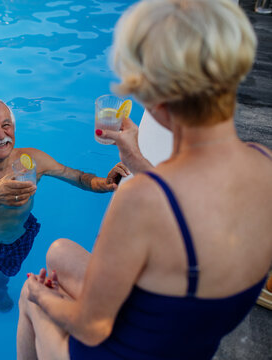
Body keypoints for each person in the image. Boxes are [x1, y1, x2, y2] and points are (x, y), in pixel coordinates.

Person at [17, 0, 272, 359]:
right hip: (189, 336)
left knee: (31, 295)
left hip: (128, 350)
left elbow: (93, 326)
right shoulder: (263, 165)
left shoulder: (139, 199)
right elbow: (194, 210)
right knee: (59, 252)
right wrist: (136, 160)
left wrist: (45, 295)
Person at [0, 98, 130, 326]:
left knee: (5, 273)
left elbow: (76, 176)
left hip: (16, 236)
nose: (1, 135)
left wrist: (103, 183)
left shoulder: (32, 159)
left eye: (6, 125)